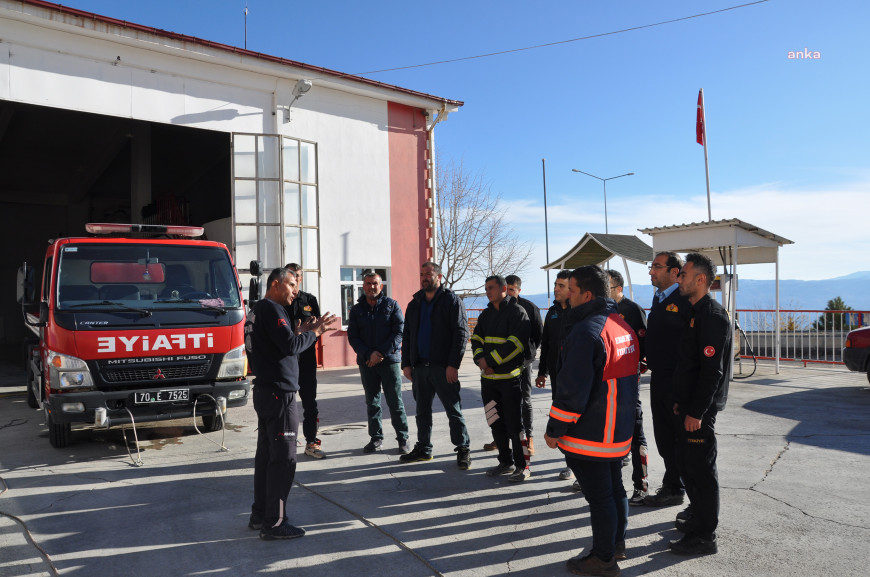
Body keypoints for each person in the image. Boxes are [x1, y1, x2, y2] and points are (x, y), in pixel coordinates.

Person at [544, 266, 639, 576]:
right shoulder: (620, 325)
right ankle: (615, 546)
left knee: (600, 499)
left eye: (569, 290)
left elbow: (572, 391)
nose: (564, 296)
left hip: (593, 434)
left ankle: (603, 559)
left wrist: (555, 429)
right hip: (618, 429)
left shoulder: (587, 332)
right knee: (615, 491)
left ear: (586, 294)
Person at [248, 267, 337, 540]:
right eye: (291, 285)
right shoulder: (272, 310)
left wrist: (300, 334)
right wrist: (315, 332)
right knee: (284, 460)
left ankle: (260, 514)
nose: (295, 291)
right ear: (275, 284)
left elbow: (282, 346)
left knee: (266, 456)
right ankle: (275, 523)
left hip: (266, 392)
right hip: (278, 395)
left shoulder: (257, 310)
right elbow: (288, 345)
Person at [668, 253, 731, 556]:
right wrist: (682, 403)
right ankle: (697, 520)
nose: (679, 279)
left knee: (701, 471)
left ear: (701, 279)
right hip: (690, 407)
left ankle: (705, 536)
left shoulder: (712, 316)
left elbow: (712, 372)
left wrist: (696, 411)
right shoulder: (695, 312)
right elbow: (690, 366)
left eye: (683, 274)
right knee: (688, 466)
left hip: (700, 412)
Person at [399, 262, 472, 469]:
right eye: (421, 274)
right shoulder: (415, 303)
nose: (424, 277)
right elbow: (408, 335)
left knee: (453, 410)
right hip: (420, 368)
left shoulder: (451, 301)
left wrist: (453, 364)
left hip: (443, 368)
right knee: (422, 411)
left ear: (439, 276)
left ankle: (463, 449)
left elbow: (461, 333)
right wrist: (407, 364)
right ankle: (423, 448)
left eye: (428, 274)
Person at [643, 252, 693, 508]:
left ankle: (676, 487)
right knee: (663, 437)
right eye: (651, 267)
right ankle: (672, 484)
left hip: (676, 381)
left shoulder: (683, 300)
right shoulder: (660, 298)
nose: (651, 272)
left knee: (677, 439)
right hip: (659, 378)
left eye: (657, 267)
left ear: (675, 272)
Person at [472, 275, 531, 482]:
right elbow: (476, 339)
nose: (487, 292)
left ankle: (523, 466)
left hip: (510, 381)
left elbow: (516, 344)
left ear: (504, 288)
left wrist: (490, 362)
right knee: (495, 421)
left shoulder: (518, 313)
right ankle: (505, 462)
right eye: (486, 288)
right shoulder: (486, 314)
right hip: (488, 381)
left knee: (515, 426)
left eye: (491, 288)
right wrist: (480, 360)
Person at [346, 270, 411, 454]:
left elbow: (399, 332)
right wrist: (368, 354)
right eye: (368, 283)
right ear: (363, 286)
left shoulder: (392, 305)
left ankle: (403, 438)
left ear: (380, 286)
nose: (371, 287)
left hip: (389, 361)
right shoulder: (357, 310)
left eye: (375, 283)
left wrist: (381, 352)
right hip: (367, 363)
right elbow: (353, 336)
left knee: (395, 401)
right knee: (372, 402)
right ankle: (376, 438)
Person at [607, 269, 650, 506]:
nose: (606, 292)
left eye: (609, 288)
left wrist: (636, 369)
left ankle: (640, 485)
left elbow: (644, 344)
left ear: (619, 289)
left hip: (628, 382)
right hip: (607, 385)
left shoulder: (632, 310)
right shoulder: (603, 311)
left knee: (635, 432)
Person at [534, 270, 576, 483]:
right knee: (561, 418)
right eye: (555, 285)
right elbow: (547, 345)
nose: (556, 289)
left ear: (571, 289)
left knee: (577, 420)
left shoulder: (578, 312)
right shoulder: (551, 313)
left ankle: (579, 466)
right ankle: (570, 463)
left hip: (575, 378)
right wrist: (542, 372)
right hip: (556, 377)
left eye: (561, 285)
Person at [283, 263, 324, 459]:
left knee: (310, 402)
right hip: (286, 359)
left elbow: (317, 328)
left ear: (301, 278)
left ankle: (311, 442)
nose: (295, 278)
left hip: (306, 359)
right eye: (291, 275)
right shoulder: (280, 302)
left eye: (298, 275)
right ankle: (285, 442)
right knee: (285, 403)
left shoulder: (310, 300)